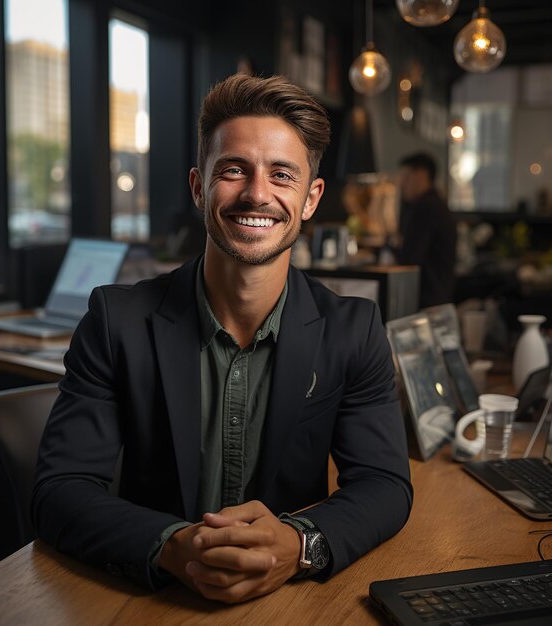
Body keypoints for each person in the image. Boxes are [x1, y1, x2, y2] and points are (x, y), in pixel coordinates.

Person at [32, 74, 413, 604]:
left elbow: (385, 485)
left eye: (283, 175)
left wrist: (300, 545)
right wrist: (171, 545)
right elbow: (60, 490)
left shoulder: (354, 329)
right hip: (149, 601)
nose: (257, 193)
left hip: (287, 604)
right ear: (197, 186)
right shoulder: (115, 319)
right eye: (234, 170)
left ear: (310, 198)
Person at [396, 152, 457, 308]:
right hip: (440, 296)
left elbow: (410, 259)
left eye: (406, 176)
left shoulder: (424, 208)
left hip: (425, 300)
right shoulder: (437, 204)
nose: (402, 184)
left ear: (421, 174)